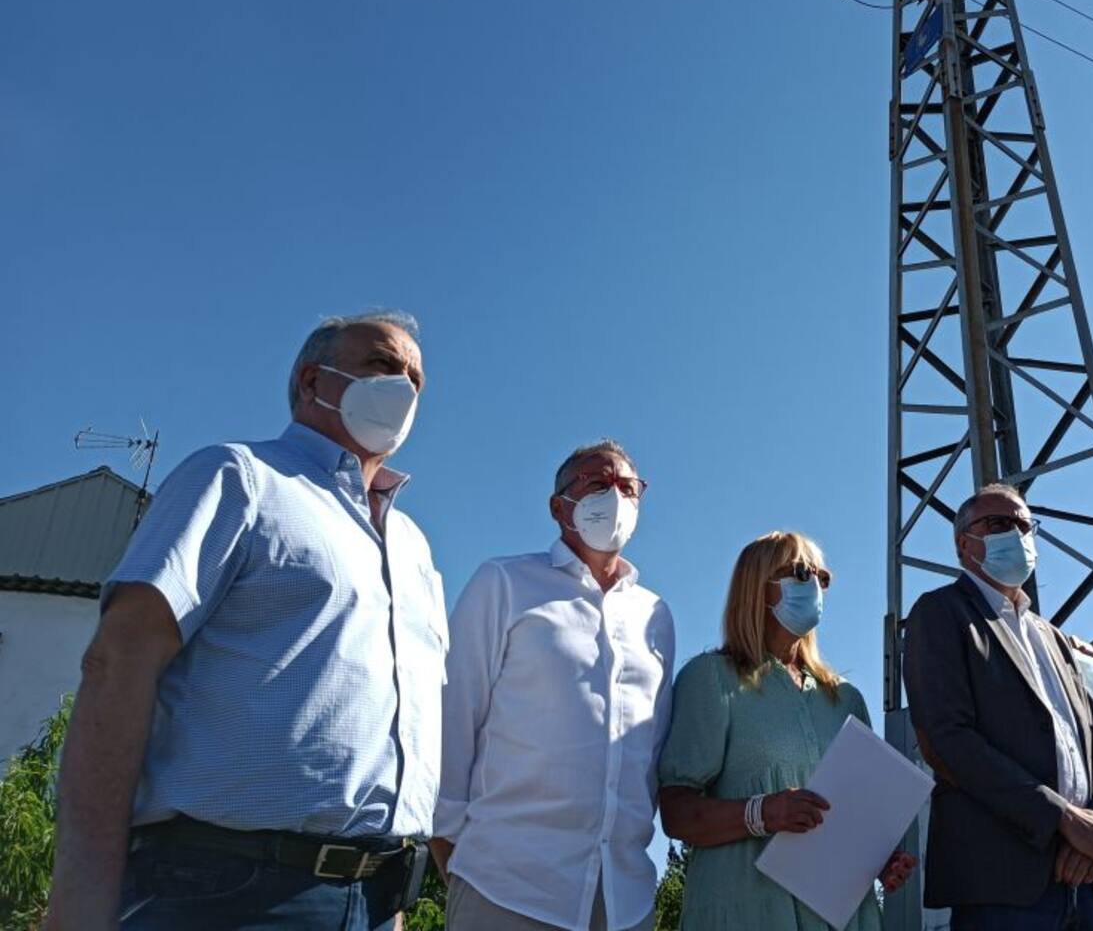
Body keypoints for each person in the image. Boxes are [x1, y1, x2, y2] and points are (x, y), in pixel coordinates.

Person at [44, 310, 448, 931]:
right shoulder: (240, 478)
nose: (404, 389)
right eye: (382, 365)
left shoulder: (412, 546)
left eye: (415, 380)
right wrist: (81, 903)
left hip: (372, 898)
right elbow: (118, 662)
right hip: (225, 887)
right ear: (312, 381)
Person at [431, 439, 675, 931]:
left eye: (628, 487)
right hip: (507, 887)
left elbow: (652, 750)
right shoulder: (504, 582)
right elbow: (452, 718)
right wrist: (452, 853)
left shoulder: (656, 615)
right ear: (558, 506)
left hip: (624, 900)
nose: (615, 497)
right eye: (597, 483)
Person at [658, 531, 915, 930]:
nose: (814, 586)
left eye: (822, 577)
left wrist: (876, 858)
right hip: (746, 911)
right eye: (800, 573)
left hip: (839, 917)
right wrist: (762, 812)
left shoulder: (845, 699)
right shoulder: (710, 679)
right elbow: (677, 814)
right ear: (756, 586)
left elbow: (854, 812)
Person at [903, 482, 1093, 930]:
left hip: (1083, 880)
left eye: (1025, 525)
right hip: (1001, 885)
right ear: (964, 544)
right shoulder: (942, 613)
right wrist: (1062, 818)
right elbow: (947, 740)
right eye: (999, 523)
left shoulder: (1053, 638)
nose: (1017, 534)